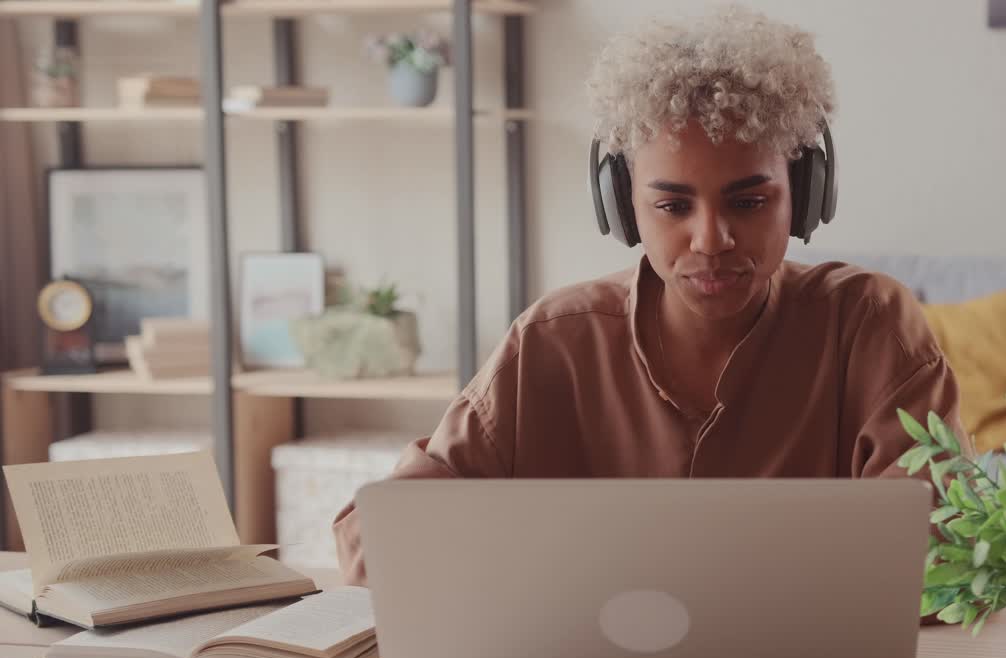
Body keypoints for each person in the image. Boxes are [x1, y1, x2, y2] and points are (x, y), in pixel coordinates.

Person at [333, 5, 963, 586]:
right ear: (622, 207)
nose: (711, 239)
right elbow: (372, 547)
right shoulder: (554, 342)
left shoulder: (869, 324)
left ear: (806, 193)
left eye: (748, 201)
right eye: (671, 204)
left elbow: (948, 557)